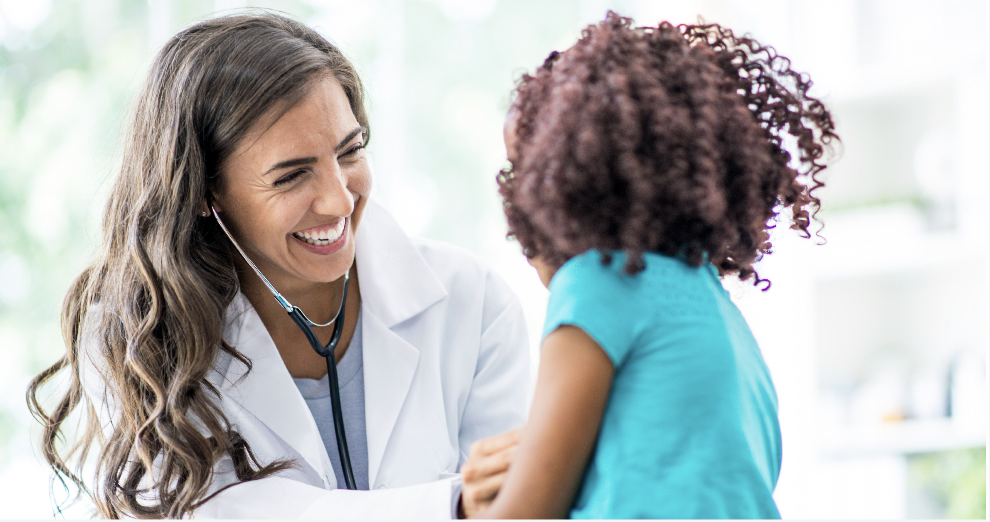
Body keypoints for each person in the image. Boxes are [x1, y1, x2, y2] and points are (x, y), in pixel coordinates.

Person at [26, 12, 529, 519]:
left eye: (350, 151)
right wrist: (451, 504)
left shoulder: (472, 301)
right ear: (205, 193)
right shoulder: (139, 338)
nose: (338, 201)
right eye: (291, 177)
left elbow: (522, 503)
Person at [475, 12, 837, 519]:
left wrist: (478, 496)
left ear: (563, 179)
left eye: (522, 175)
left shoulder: (601, 283)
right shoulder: (727, 324)